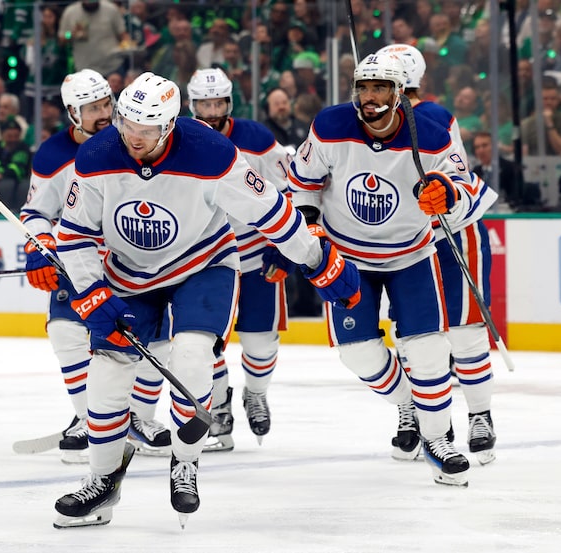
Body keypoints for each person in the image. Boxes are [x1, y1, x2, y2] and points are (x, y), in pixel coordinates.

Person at [52, 71, 360, 528]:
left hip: (203, 265)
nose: (133, 138)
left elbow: (273, 214)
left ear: (170, 125)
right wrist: (91, 292)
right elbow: (74, 234)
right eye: (126, 125)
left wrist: (315, 259)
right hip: (130, 274)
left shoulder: (212, 155)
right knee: (107, 377)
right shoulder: (96, 156)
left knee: (194, 357)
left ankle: (185, 462)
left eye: (146, 129)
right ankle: (102, 483)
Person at [288, 52, 473, 487]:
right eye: (364, 87)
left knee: (427, 349)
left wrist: (446, 192)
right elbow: (303, 180)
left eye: (380, 88)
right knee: (357, 352)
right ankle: (409, 405)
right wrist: (310, 224)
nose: (370, 97)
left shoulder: (429, 133)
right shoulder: (330, 126)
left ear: (398, 92)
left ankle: (437, 440)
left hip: (411, 255)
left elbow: (464, 184)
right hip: (347, 258)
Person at [20, 69, 174, 461]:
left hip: (134, 258)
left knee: (151, 339)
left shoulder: (129, 143)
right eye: (92, 108)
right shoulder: (54, 154)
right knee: (64, 331)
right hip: (80, 260)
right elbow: (37, 211)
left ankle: (138, 418)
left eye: (107, 103)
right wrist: (40, 245)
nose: (103, 113)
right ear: (72, 111)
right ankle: (90, 419)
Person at [377, 44, 499, 466]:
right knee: (415, 335)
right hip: (408, 240)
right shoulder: (364, 125)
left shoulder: (433, 117)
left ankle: (480, 415)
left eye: (389, 88)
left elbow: (455, 179)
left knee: (464, 331)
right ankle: (421, 416)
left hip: (452, 231)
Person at [186, 68, 293, 451]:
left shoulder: (256, 139)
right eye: (204, 104)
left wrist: (281, 245)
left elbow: (290, 188)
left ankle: (255, 393)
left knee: (260, 341)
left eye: (218, 103)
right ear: (191, 104)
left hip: (255, 255)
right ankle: (219, 410)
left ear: (229, 102)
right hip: (206, 259)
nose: (212, 111)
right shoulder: (182, 140)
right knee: (204, 343)